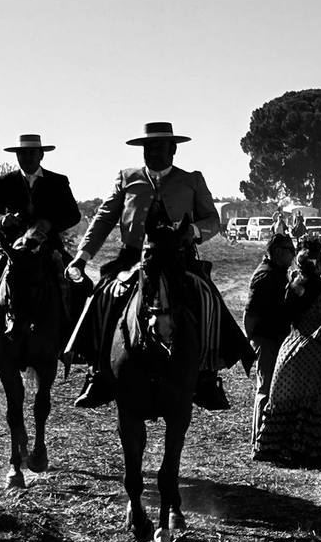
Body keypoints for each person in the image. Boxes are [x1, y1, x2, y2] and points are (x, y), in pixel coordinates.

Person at [62, 121, 247, 409]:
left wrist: (194, 232)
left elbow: (212, 219)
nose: (153, 153)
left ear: (173, 150)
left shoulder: (192, 180)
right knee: (104, 295)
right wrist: (82, 256)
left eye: (159, 148)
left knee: (208, 297)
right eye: (148, 148)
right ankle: (98, 372)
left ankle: (207, 374)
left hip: (180, 258)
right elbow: (103, 218)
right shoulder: (127, 178)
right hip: (133, 257)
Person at [0, 134, 82, 337]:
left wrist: (49, 224)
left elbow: (73, 215)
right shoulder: (5, 181)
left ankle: (79, 343)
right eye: (22, 153)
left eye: (32, 153)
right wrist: (2, 220)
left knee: (81, 283)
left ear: (41, 155)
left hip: (48, 246)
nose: (27, 157)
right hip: (11, 247)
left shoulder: (58, 181)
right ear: (17, 156)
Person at [254, 240, 321, 465]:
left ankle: (278, 447)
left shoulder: (291, 285)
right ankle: (310, 450)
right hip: (315, 355)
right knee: (317, 404)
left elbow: (284, 317)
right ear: (319, 264)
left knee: (286, 404)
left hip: (289, 353)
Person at [244, 233, 297, 450]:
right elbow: (250, 315)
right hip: (267, 340)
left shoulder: (278, 273)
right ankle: (259, 443)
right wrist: (255, 341)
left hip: (276, 339)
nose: (292, 256)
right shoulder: (265, 276)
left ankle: (270, 441)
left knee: (273, 390)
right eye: (289, 251)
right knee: (265, 391)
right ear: (277, 252)